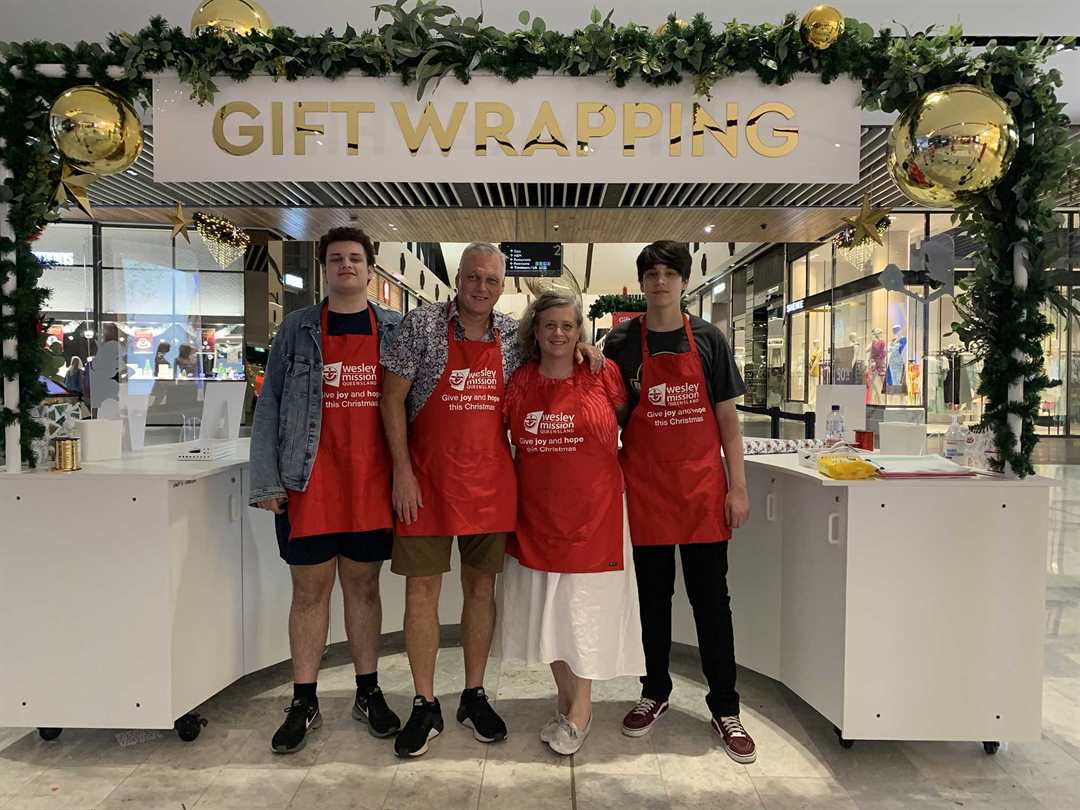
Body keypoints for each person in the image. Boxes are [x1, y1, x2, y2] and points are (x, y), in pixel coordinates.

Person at [380, 243, 602, 758]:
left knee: (481, 591)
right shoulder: (421, 326)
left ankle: (473, 694)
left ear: (502, 286)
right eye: (473, 277)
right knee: (422, 593)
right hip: (426, 484)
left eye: (492, 281)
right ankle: (424, 702)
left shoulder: (510, 337)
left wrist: (589, 351)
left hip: (490, 484)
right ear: (459, 278)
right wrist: (402, 473)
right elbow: (391, 399)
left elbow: (556, 352)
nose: (481, 287)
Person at [249, 226, 403, 755]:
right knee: (308, 594)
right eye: (336, 258)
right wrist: (267, 480)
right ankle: (304, 699)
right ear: (324, 266)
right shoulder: (296, 329)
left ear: (370, 267)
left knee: (364, 590)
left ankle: (368, 690)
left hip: (371, 483)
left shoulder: (394, 328)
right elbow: (268, 406)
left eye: (355, 258)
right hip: (307, 483)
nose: (346, 266)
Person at [603, 240, 756, 764]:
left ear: (683, 281)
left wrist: (737, 488)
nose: (661, 282)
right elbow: (607, 417)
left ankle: (725, 706)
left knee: (712, 603)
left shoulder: (710, 340)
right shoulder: (621, 343)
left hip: (700, 492)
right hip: (643, 491)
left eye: (670, 273)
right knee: (651, 601)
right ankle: (655, 692)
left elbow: (729, 428)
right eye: (652, 273)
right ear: (641, 282)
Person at [498, 291, 644, 757]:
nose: (559, 334)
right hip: (537, 513)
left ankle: (580, 709)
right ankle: (568, 702)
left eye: (567, 326)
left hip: (595, 512)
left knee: (583, 613)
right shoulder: (519, 381)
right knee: (550, 612)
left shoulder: (603, 374)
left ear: (579, 330)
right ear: (535, 332)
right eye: (549, 326)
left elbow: (626, 424)